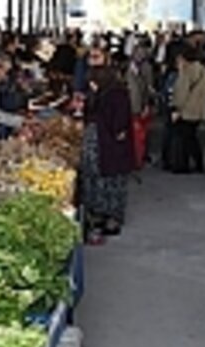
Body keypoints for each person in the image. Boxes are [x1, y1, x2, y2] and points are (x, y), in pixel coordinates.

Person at [80, 66, 133, 242]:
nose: (91, 85)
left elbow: (119, 127)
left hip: (105, 147)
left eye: (93, 81)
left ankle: (100, 218)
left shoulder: (112, 96)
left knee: (101, 183)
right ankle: (108, 218)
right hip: (107, 148)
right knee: (110, 184)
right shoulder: (116, 94)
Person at [170, 46, 205, 173]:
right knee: (192, 137)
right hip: (199, 109)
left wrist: (176, 109)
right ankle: (198, 163)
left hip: (186, 110)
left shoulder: (187, 71)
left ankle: (183, 165)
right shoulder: (204, 71)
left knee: (183, 139)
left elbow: (181, 92)